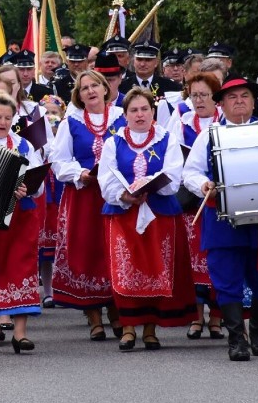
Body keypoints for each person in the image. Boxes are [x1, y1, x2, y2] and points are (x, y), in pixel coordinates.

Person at [182, 77, 258, 361]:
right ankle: (237, 339)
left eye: (245, 96)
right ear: (221, 104)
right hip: (223, 218)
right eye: (232, 97)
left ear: (253, 101)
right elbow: (190, 172)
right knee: (226, 279)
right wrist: (203, 185)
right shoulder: (209, 135)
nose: (239, 101)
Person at [98, 88, 197, 351]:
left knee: (157, 269)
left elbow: (174, 174)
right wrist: (124, 194)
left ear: (153, 112)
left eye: (144, 109)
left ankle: (151, 330)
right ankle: (128, 329)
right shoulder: (114, 142)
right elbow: (105, 178)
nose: (139, 114)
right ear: (125, 114)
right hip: (124, 214)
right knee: (126, 271)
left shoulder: (167, 139)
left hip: (160, 214)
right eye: (134, 110)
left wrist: (151, 186)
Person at [51, 70, 126, 340]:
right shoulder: (71, 122)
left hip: (114, 195)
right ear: (79, 95)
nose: (91, 91)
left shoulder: (121, 117)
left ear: (106, 88)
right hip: (84, 196)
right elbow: (59, 161)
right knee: (86, 250)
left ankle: (116, 311)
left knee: (113, 250)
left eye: (95, 85)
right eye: (84, 88)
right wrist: (79, 174)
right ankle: (93, 316)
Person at [0, 91, 44, 354]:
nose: (3, 122)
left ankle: (20, 333)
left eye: (7, 117)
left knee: (22, 267)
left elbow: (37, 182)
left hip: (20, 216)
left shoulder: (22, 144)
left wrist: (26, 188)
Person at [167, 72, 225, 339]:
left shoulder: (225, 120)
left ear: (216, 96)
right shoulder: (181, 118)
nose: (198, 100)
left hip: (221, 199)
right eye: (193, 95)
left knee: (218, 260)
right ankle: (195, 317)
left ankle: (216, 317)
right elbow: (170, 152)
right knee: (193, 260)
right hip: (191, 199)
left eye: (204, 95)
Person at [37, 94, 66, 308]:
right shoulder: (38, 142)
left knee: (63, 249)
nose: (50, 117)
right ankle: (47, 291)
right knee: (45, 252)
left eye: (54, 113)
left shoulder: (64, 139)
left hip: (62, 200)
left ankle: (64, 289)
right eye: (46, 113)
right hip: (46, 202)